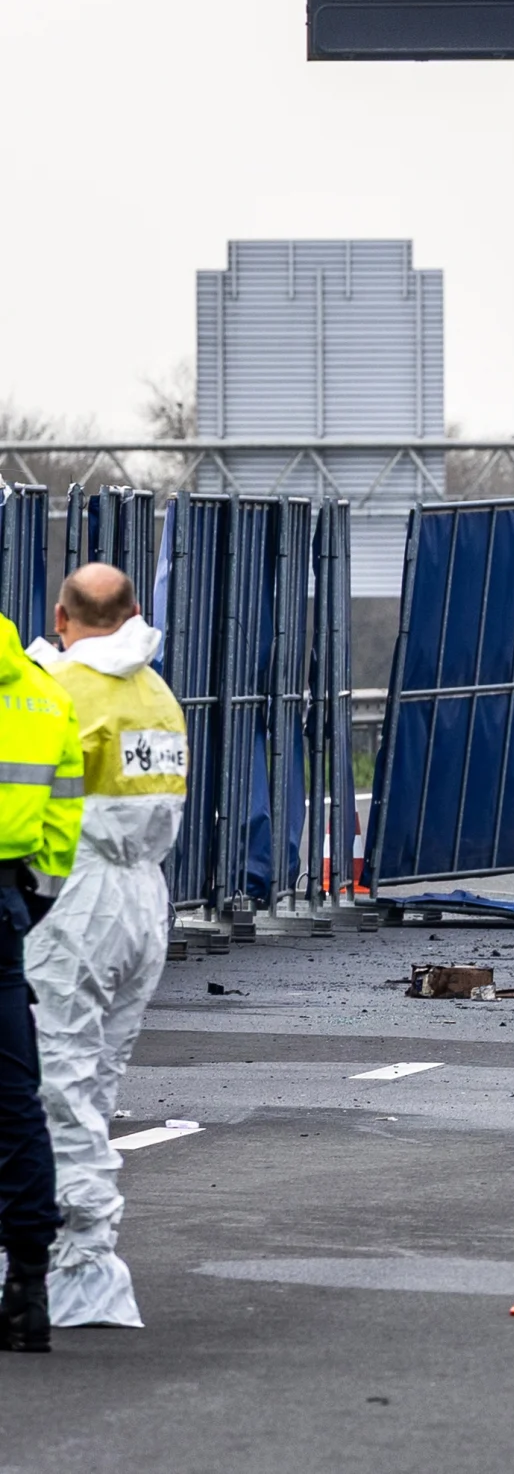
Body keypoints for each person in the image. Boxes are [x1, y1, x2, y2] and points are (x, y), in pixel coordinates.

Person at [26, 567, 174, 1332]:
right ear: (136, 613)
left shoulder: (62, 688)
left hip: (78, 896)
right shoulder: (158, 694)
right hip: (144, 900)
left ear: (61, 616)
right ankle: (78, 1250)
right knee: (97, 1084)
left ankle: (80, 1265)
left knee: (61, 1086)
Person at [0, 600, 81, 1351]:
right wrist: (27, 907)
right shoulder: (41, 692)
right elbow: (61, 831)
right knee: (12, 1097)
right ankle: (27, 1284)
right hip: (3, 900)